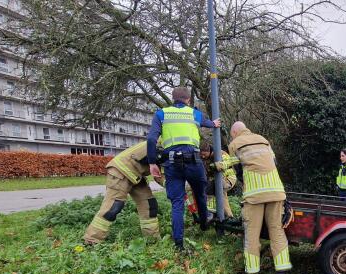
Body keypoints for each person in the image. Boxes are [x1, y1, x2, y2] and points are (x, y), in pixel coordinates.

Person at [214, 121, 298, 274]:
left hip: (254, 195)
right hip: (276, 192)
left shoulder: (235, 143)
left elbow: (233, 165)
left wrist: (217, 166)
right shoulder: (263, 139)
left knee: (252, 234)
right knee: (277, 233)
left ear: (234, 133)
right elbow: (274, 163)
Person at [146, 87, 221, 252]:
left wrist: (153, 163)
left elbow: (151, 139)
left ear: (173, 99)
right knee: (200, 193)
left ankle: (178, 244)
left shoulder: (161, 114)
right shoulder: (193, 113)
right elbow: (209, 123)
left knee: (177, 203)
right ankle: (204, 222)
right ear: (188, 100)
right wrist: (214, 124)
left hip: (172, 164)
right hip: (194, 161)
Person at [83, 140, 163, 245]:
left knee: (149, 205)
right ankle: (91, 240)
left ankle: (152, 239)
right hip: (120, 171)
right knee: (113, 207)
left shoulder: (167, 144)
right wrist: (178, 189)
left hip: (136, 175)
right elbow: (160, 176)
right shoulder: (165, 147)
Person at [200, 142, 237, 219]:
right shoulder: (203, 158)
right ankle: (225, 216)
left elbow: (230, 162)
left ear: (209, 151)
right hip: (217, 181)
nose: (203, 156)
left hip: (228, 179)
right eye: (201, 154)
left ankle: (220, 214)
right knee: (210, 190)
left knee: (216, 188)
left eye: (204, 154)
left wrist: (218, 165)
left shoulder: (220, 153)